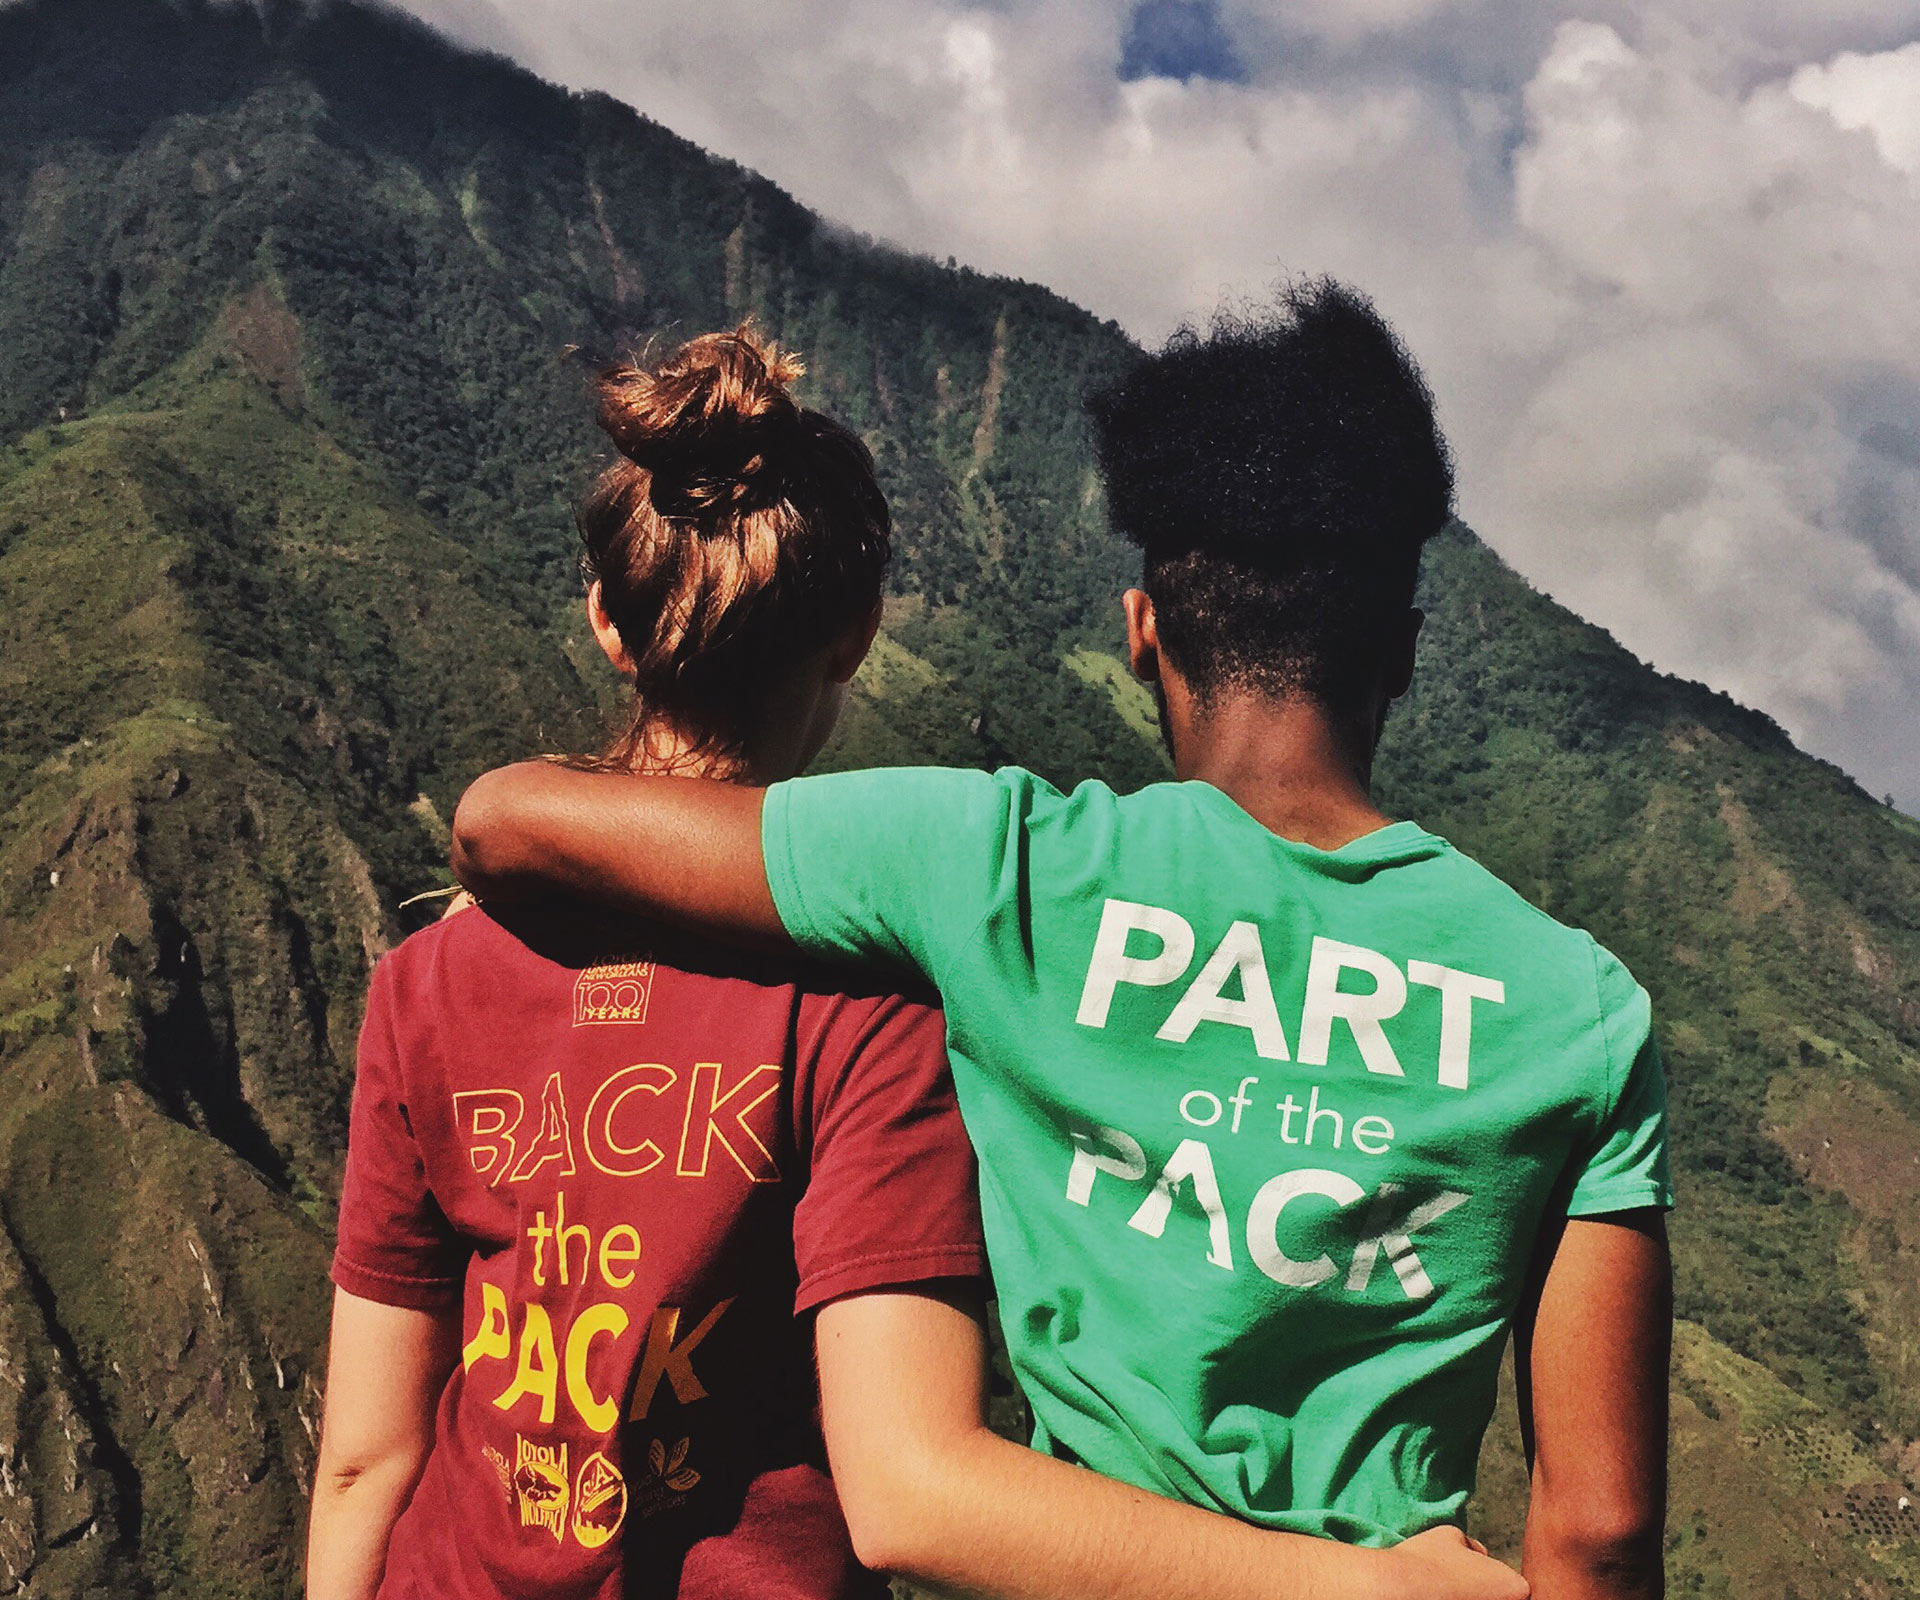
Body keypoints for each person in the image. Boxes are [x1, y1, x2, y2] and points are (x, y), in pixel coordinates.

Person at [449, 285, 1675, 1600]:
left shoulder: (995, 866)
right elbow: (1598, 1526)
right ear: (1406, 654)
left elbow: (507, 819)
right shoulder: (1577, 1009)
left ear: (1143, 636)